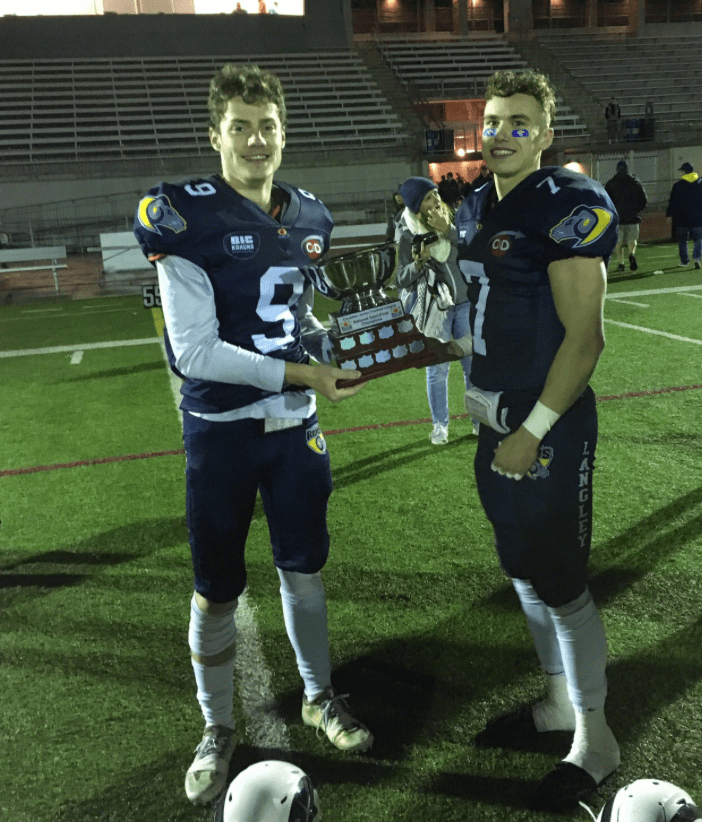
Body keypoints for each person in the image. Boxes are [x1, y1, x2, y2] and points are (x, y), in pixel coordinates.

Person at [133, 63, 373, 808]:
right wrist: (304, 373)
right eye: (240, 127)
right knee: (216, 591)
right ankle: (216, 725)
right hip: (222, 432)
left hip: (292, 428)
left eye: (267, 125)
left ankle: (318, 696)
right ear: (216, 136)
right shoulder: (184, 215)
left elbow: (295, 319)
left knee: (304, 570)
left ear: (283, 133)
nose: (256, 139)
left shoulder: (309, 216)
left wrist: (351, 346)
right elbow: (196, 352)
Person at [454, 69, 620, 812]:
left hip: (542, 427)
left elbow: (585, 339)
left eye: (519, 123)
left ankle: (596, 736)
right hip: (495, 422)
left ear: (547, 134)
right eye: (492, 121)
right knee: (521, 567)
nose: (502, 134)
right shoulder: (477, 204)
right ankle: (558, 702)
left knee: (561, 579)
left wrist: (533, 430)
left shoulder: (567, 202)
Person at [394, 176, 474, 445]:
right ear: (417, 207)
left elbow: (474, 246)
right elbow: (400, 278)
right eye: (428, 198)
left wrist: (448, 229)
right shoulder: (407, 233)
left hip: (465, 303)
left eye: (436, 193)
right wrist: (418, 264)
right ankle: (440, 426)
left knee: (472, 367)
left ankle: (479, 421)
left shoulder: (454, 220)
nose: (437, 200)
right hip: (436, 309)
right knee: (437, 370)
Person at [604, 160, 648, 272]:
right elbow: (644, 199)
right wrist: (637, 210)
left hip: (617, 218)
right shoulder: (635, 181)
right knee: (632, 240)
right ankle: (632, 254)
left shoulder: (611, 183)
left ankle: (621, 263)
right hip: (632, 217)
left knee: (618, 242)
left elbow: (606, 200)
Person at [666, 162, 702, 269]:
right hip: (698, 215)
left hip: (682, 217)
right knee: (698, 238)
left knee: (682, 240)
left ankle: (684, 261)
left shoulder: (678, 185)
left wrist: (669, 215)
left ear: (683, 172)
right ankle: (697, 258)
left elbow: (673, 202)